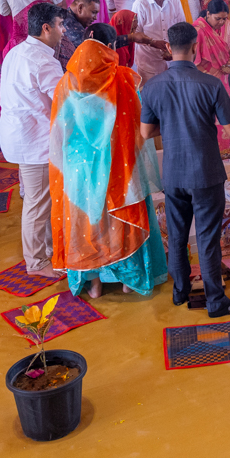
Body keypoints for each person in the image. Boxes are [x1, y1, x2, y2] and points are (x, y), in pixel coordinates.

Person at [141, 22, 230, 318]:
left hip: (174, 172)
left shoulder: (152, 86)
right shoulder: (210, 84)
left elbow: (145, 132)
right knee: (207, 236)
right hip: (205, 171)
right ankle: (216, 302)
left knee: (178, 235)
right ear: (196, 48)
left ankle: (180, 292)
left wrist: (170, 120)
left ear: (168, 48)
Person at [50, 38, 167, 299]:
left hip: (79, 167)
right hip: (118, 164)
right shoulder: (121, 80)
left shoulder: (65, 85)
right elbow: (140, 124)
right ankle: (128, 279)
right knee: (118, 223)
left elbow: (60, 133)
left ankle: (94, 284)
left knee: (89, 225)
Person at [0, 3, 66, 277]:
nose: (63, 31)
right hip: (34, 141)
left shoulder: (16, 51)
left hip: (20, 135)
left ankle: (48, 251)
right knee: (37, 204)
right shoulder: (43, 61)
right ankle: (37, 262)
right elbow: (64, 100)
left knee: (39, 200)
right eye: (60, 25)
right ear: (46, 28)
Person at [129, 0, 186, 86]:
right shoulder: (140, 4)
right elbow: (135, 35)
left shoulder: (175, 1)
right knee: (151, 97)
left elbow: (182, 28)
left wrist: (174, 50)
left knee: (172, 94)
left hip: (173, 61)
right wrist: (153, 43)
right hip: (149, 62)